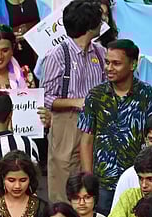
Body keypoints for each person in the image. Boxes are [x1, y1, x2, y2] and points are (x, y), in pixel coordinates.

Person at [79, 39, 152, 215]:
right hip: (104, 184)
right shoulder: (95, 96)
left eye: (116, 63)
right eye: (107, 62)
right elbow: (86, 140)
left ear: (133, 64)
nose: (109, 68)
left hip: (140, 182)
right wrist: (89, 180)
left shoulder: (150, 97)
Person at [43, 0, 107, 203]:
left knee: (92, 172)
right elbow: (45, 97)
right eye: (99, 19)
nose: (102, 22)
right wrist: (76, 102)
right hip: (67, 122)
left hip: (96, 122)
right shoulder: (58, 55)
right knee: (64, 173)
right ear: (90, 26)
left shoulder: (100, 52)